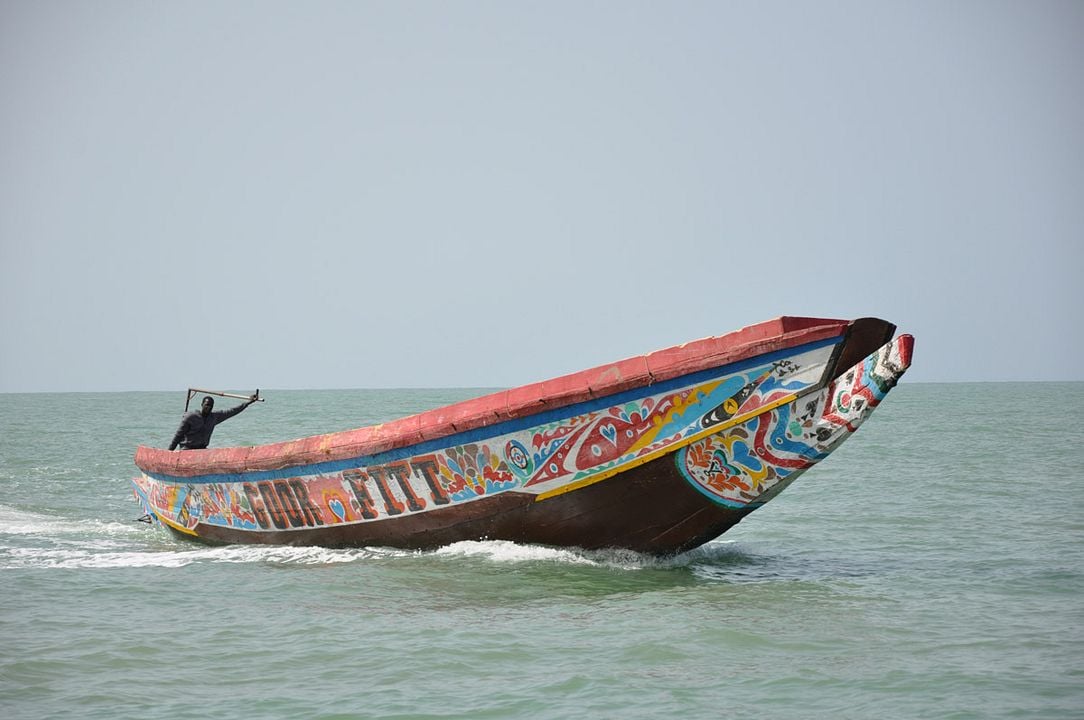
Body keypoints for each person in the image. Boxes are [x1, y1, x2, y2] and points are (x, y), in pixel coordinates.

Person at [169, 394, 258, 451]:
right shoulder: (190, 417)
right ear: (202, 405)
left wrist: (248, 402)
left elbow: (232, 411)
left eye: (211, 406)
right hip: (187, 450)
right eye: (207, 405)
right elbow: (178, 435)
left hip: (202, 450)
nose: (208, 407)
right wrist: (169, 452)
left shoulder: (214, 417)